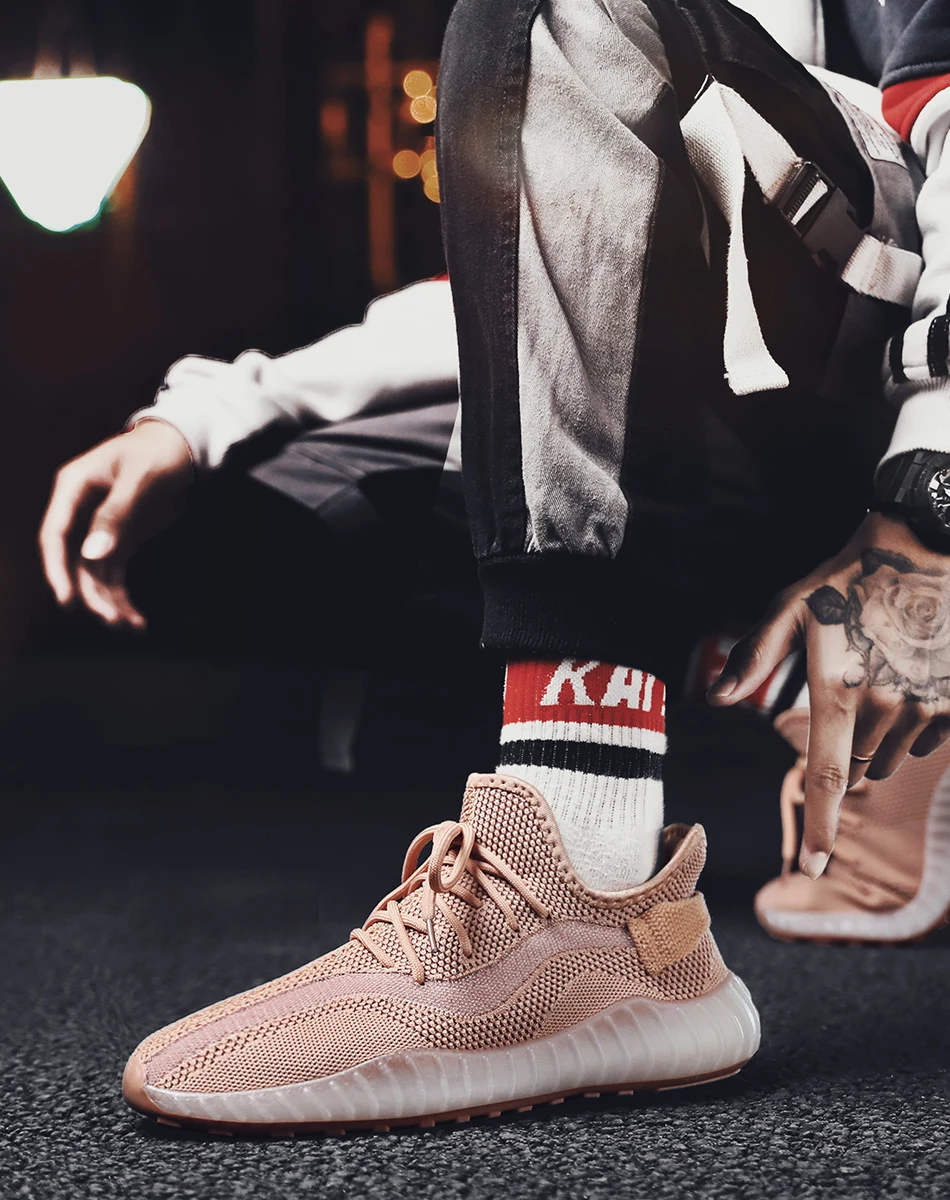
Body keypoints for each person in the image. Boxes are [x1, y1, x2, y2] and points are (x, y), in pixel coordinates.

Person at [41, 0, 950, 1132]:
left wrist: (928, 504)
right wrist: (213, 412)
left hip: (909, 391)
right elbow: (555, 268)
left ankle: (584, 882)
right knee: (285, 499)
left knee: (563, 15)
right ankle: (787, 713)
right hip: (788, 384)